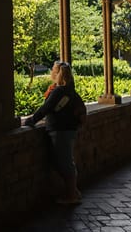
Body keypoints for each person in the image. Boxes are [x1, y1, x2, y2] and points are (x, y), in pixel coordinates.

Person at [24, 60, 87, 204]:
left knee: (64, 162)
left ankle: (71, 195)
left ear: (58, 73)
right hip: (68, 129)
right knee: (65, 161)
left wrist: (31, 121)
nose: (51, 72)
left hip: (61, 130)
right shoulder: (69, 90)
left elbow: (46, 108)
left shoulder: (59, 91)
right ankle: (74, 191)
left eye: (53, 70)